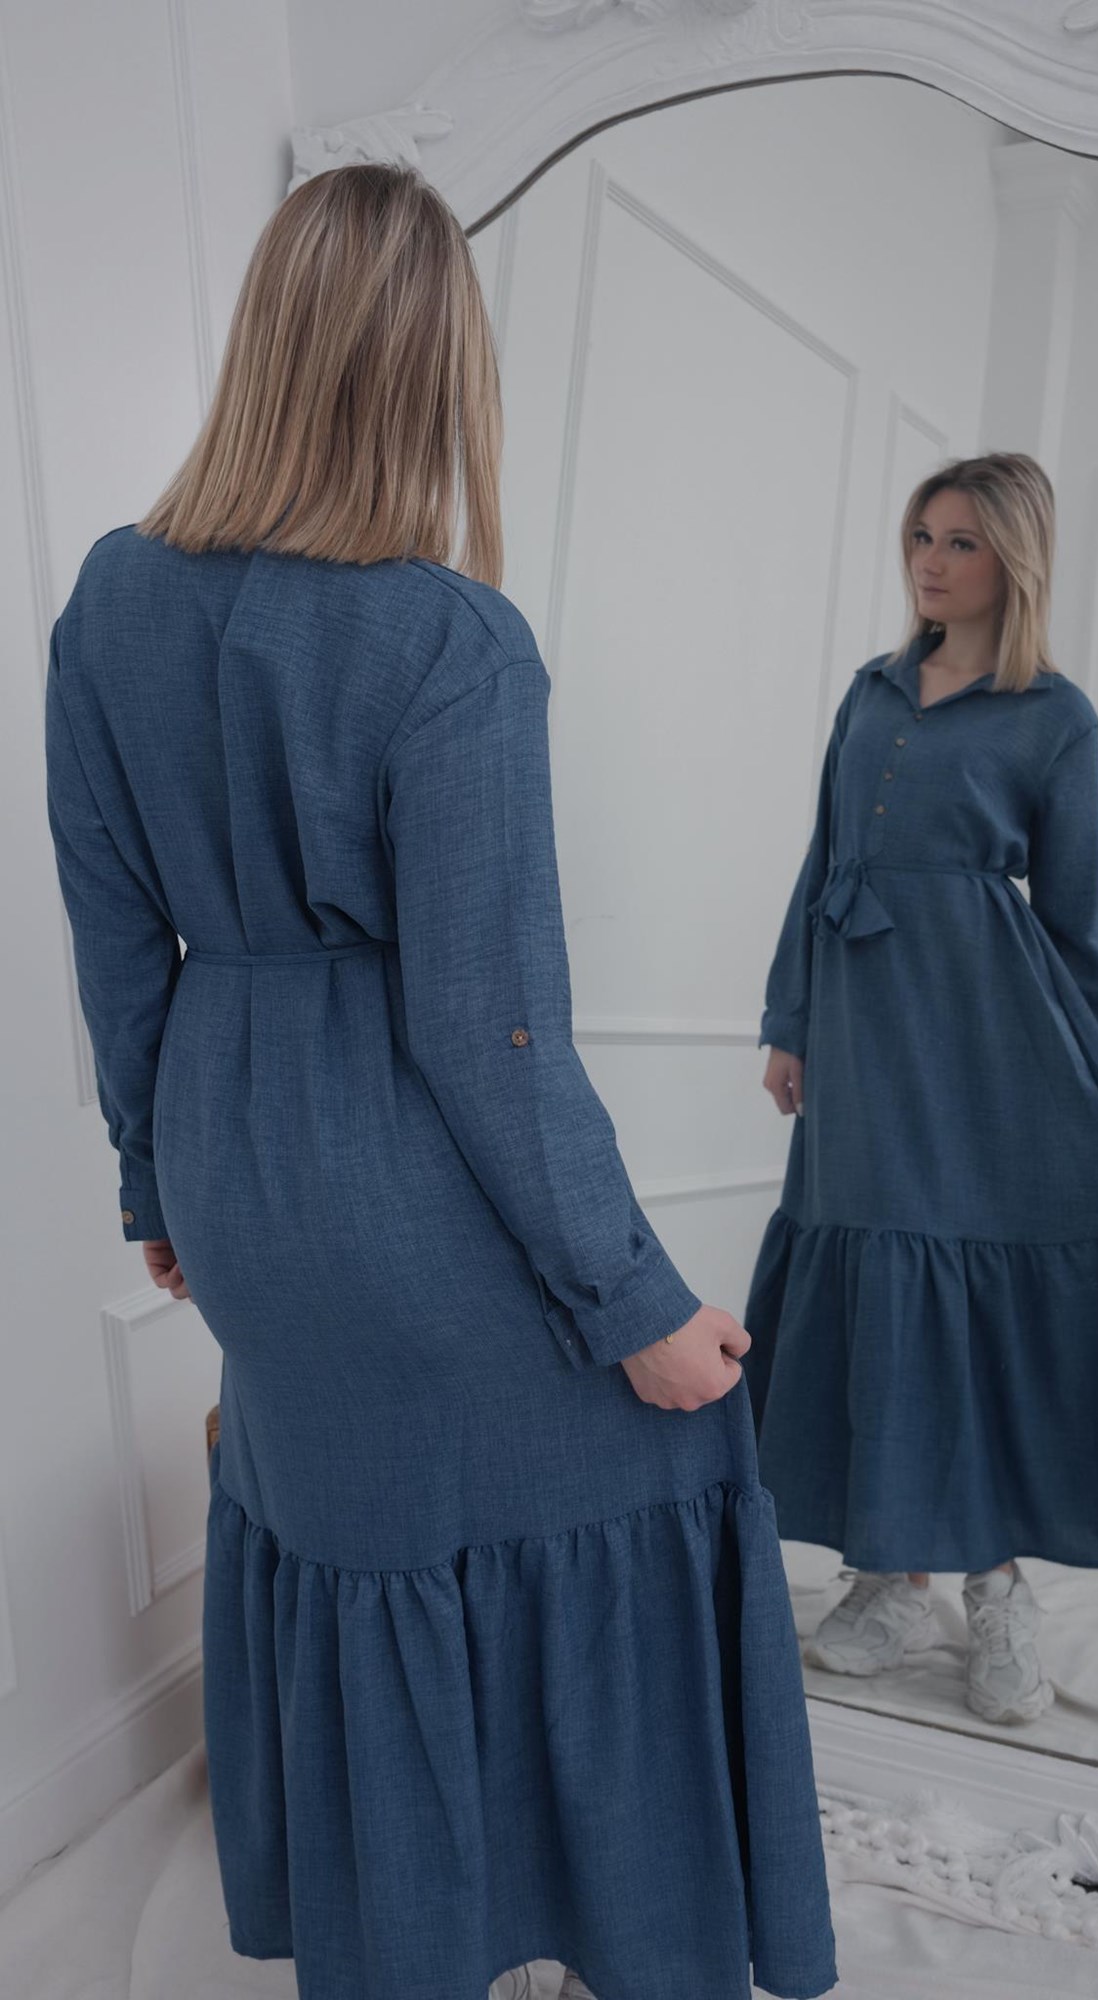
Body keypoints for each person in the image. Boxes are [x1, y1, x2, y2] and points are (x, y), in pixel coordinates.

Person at [43, 163, 838, 2000]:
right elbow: (490, 1035)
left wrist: (157, 1186)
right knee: (679, 1441)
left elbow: (114, 945)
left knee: (362, 1521)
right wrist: (635, 1306)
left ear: (267, 338)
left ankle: (415, 1924)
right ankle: (597, 1926)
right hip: (402, 1187)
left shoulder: (108, 601)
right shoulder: (448, 640)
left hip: (235, 1169)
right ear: (436, 369)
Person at [743, 453, 1098, 1728]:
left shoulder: (1056, 716)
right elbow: (822, 863)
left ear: (1011, 557)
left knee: (969, 1306)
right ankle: (891, 1577)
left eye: (961, 540)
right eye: (921, 534)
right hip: (864, 1042)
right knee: (877, 1280)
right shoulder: (870, 692)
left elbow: (1075, 915)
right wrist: (789, 1018)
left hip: (987, 1046)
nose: (931, 559)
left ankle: (996, 1582)